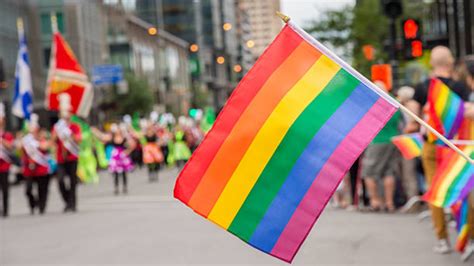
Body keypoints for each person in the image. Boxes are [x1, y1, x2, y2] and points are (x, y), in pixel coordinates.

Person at [405, 46, 471, 254]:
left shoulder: (423, 87)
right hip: (457, 146)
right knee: (461, 188)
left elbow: (412, 119)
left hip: (432, 146)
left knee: (434, 192)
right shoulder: (461, 87)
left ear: (433, 63)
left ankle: (442, 240)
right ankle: (468, 238)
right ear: (450, 62)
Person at [361, 81, 402, 212]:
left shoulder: (374, 104)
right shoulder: (394, 102)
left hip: (377, 141)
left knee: (368, 172)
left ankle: (375, 201)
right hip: (392, 140)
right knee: (389, 172)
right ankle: (389, 203)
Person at [51, 94, 81, 212]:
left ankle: (73, 204)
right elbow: (52, 141)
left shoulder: (74, 127)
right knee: (60, 180)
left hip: (72, 157)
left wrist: (69, 133)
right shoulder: (57, 127)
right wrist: (57, 132)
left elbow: (78, 139)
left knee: (73, 182)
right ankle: (67, 200)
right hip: (60, 158)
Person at [93, 123, 135, 194]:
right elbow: (102, 137)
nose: (117, 131)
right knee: (115, 173)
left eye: (118, 129)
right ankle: (116, 187)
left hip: (122, 156)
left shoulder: (124, 137)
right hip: (115, 157)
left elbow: (132, 145)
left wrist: (127, 151)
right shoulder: (111, 137)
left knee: (124, 173)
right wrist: (95, 131)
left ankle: (125, 187)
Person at [21, 114, 51, 215]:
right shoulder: (26, 140)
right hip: (29, 168)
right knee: (28, 189)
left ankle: (42, 206)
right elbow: (20, 151)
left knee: (42, 188)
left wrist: (37, 142)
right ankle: (33, 204)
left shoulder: (42, 137)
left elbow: (46, 147)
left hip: (41, 167)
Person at [0, 103, 15, 217]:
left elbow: (11, 147)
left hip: (4, 166)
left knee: (5, 189)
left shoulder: (7, 135)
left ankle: (5, 210)